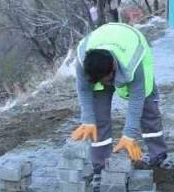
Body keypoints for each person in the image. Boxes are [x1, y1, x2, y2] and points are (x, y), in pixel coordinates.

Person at [70, 22, 167, 170]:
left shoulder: (132, 61)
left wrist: (129, 135)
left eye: (106, 80)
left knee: (148, 109)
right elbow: (84, 90)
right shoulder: (83, 62)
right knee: (98, 118)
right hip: (105, 51)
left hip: (131, 50)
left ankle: (158, 154)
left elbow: (137, 99)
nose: (105, 84)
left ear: (114, 68)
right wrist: (88, 119)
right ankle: (100, 164)